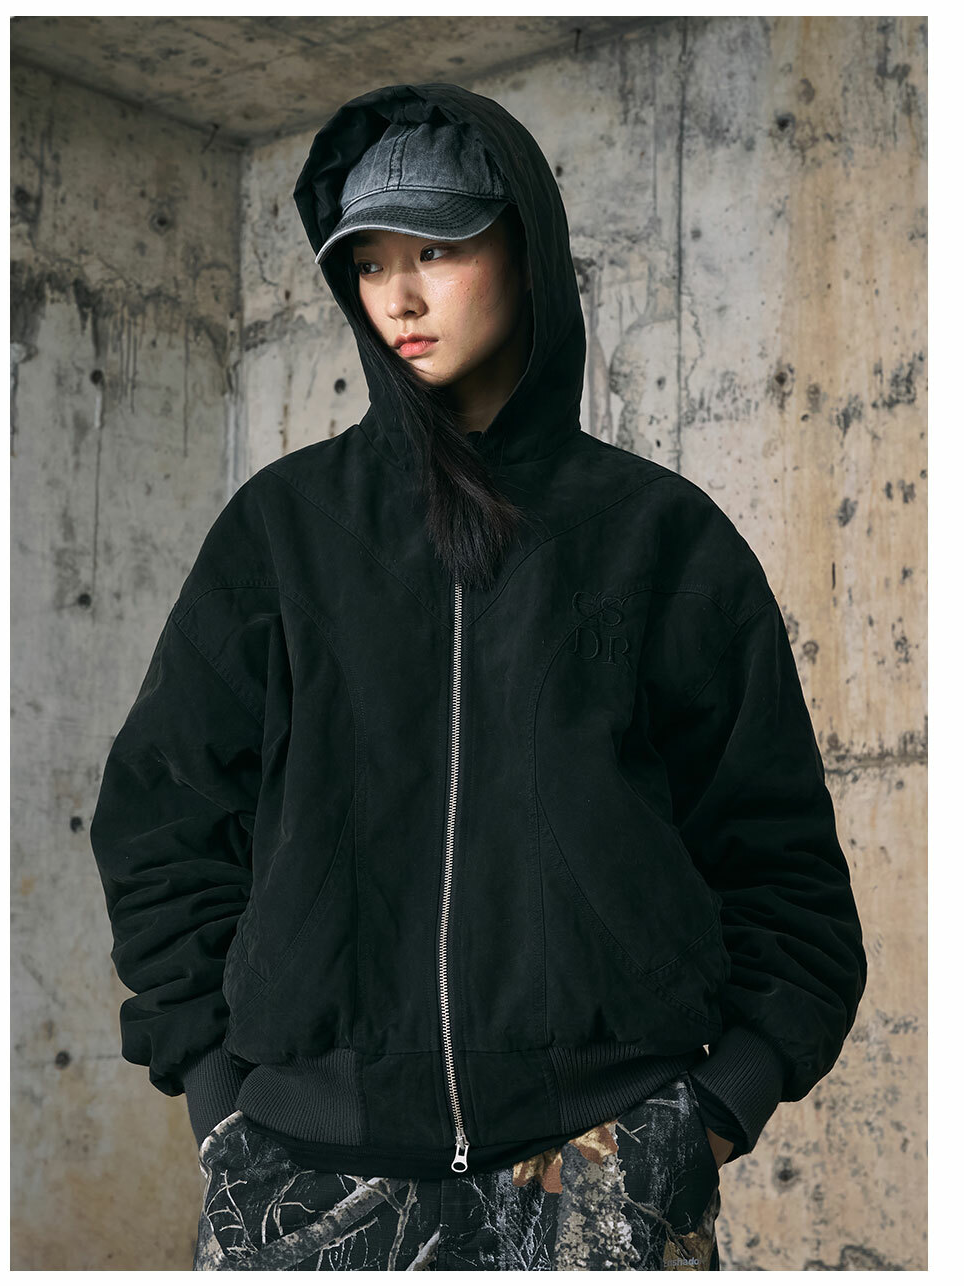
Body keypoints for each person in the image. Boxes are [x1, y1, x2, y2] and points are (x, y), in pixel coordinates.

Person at [89, 82, 867, 1271]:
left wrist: (707, 1116)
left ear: (526, 249)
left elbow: (780, 859)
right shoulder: (284, 531)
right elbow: (163, 821)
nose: (398, 296)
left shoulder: (660, 538)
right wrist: (221, 1100)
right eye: (370, 263)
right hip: (309, 1170)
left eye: (438, 249)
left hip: (603, 1166)